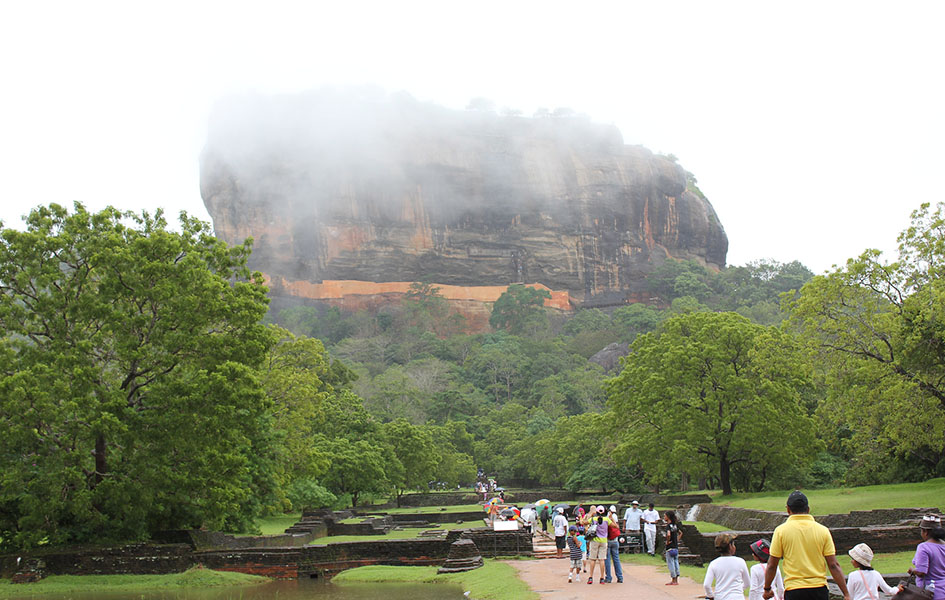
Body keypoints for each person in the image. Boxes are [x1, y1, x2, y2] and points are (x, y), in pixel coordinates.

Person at [763, 491, 850, 600]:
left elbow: (772, 565)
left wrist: (767, 588)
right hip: (818, 589)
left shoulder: (781, 531)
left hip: (794, 589)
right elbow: (833, 565)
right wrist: (846, 593)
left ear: (788, 509)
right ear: (808, 509)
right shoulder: (822, 530)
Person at [704, 533, 751, 600]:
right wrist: (737, 590)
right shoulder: (740, 562)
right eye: (733, 544)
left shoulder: (714, 563)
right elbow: (747, 583)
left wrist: (711, 596)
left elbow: (706, 585)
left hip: (720, 597)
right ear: (730, 546)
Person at [908, 515, 945, 597]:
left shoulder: (924, 547)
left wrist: (912, 570)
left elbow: (921, 572)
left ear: (925, 532)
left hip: (931, 593)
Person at [586, 506, 613, 585]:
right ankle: (602, 577)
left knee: (592, 559)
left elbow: (583, 522)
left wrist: (590, 515)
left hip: (594, 540)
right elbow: (615, 526)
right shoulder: (606, 519)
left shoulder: (593, 519)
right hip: (604, 540)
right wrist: (611, 518)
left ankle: (590, 577)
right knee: (602, 560)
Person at [604, 505, 624, 583]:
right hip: (615, 540)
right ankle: (620, 577)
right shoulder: (615, 517)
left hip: (608, 540)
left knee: (607, 560)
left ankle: (608, 577)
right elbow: (617, 527)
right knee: (616, 559)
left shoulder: (606, 517)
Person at [664, 510, 683, 586]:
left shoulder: (668, 526)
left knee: (671, 563)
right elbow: (681, 533)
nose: (664, 517)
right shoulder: (675, 525)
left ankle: (673, 579)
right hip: (675, 547)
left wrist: (668, 541)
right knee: (676, 562)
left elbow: (668, 534)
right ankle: (676, 579)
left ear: (668, 517)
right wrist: (677, 540)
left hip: (670, 548)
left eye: (665, 516)